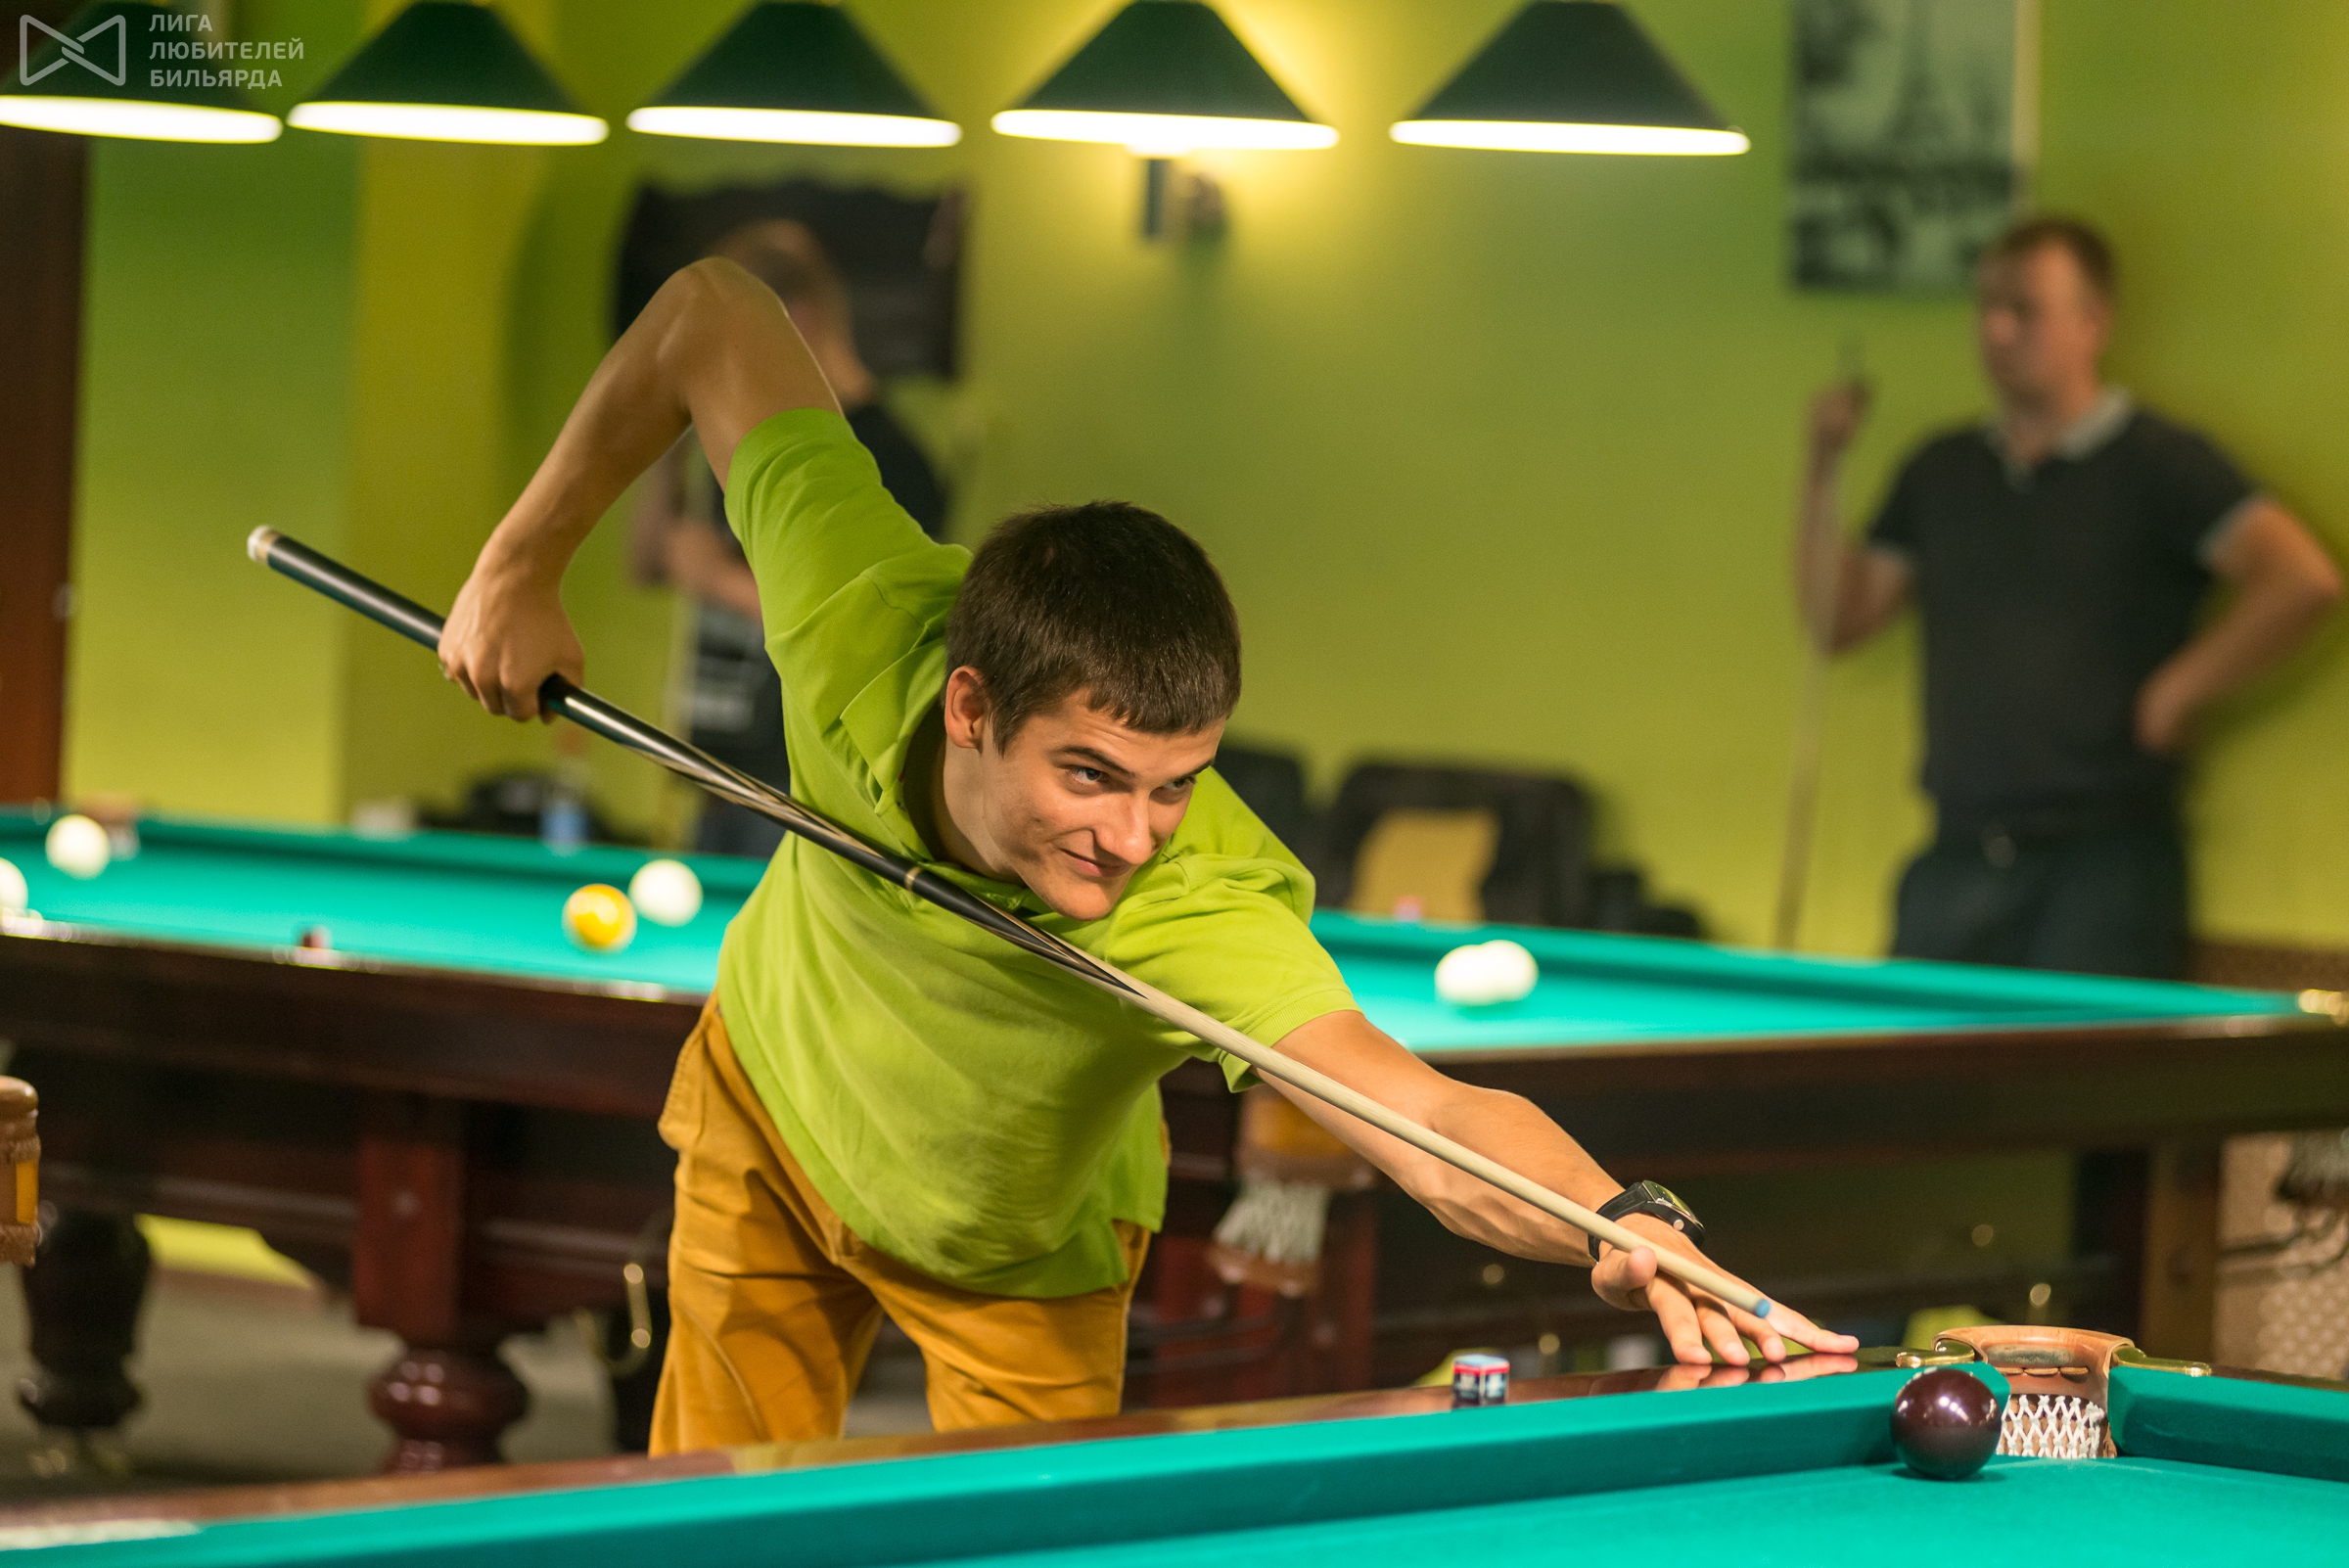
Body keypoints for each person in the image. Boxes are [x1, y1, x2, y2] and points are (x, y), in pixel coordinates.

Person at [439, 256, 1856, 1449]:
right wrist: (519, 565)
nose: (1130, 835)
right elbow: (710, 312)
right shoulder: (855, 612)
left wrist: (1616, 1215)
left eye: (1176, 784)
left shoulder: (1193, 896)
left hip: (1022, 1245)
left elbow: (1424, 1121)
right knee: (708, 1529)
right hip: (774, 1113)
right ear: (971, 706)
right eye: (1091, 775)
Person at [1799, 216, 2339, 979]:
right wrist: (1822, 466)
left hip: (2103, 863)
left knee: (2080, 1060)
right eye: (1988, 307)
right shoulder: (1942, 471)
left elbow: (2302, 579)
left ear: (2093, 323)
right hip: (1958, 851)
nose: (1997, 329)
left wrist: (2178, 692)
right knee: (1906, 1054)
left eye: (2025, 309)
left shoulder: (2159, 464)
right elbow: (1840, 621)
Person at [630, 218, 948, 857]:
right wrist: (673, 425)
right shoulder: (751, 443)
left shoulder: (889, 455)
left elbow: (867, 630)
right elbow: (647, 560)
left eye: (719, 342)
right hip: (712, 770)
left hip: (799, 786)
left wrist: (717, 578)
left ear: (791, 322)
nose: (713, 363)